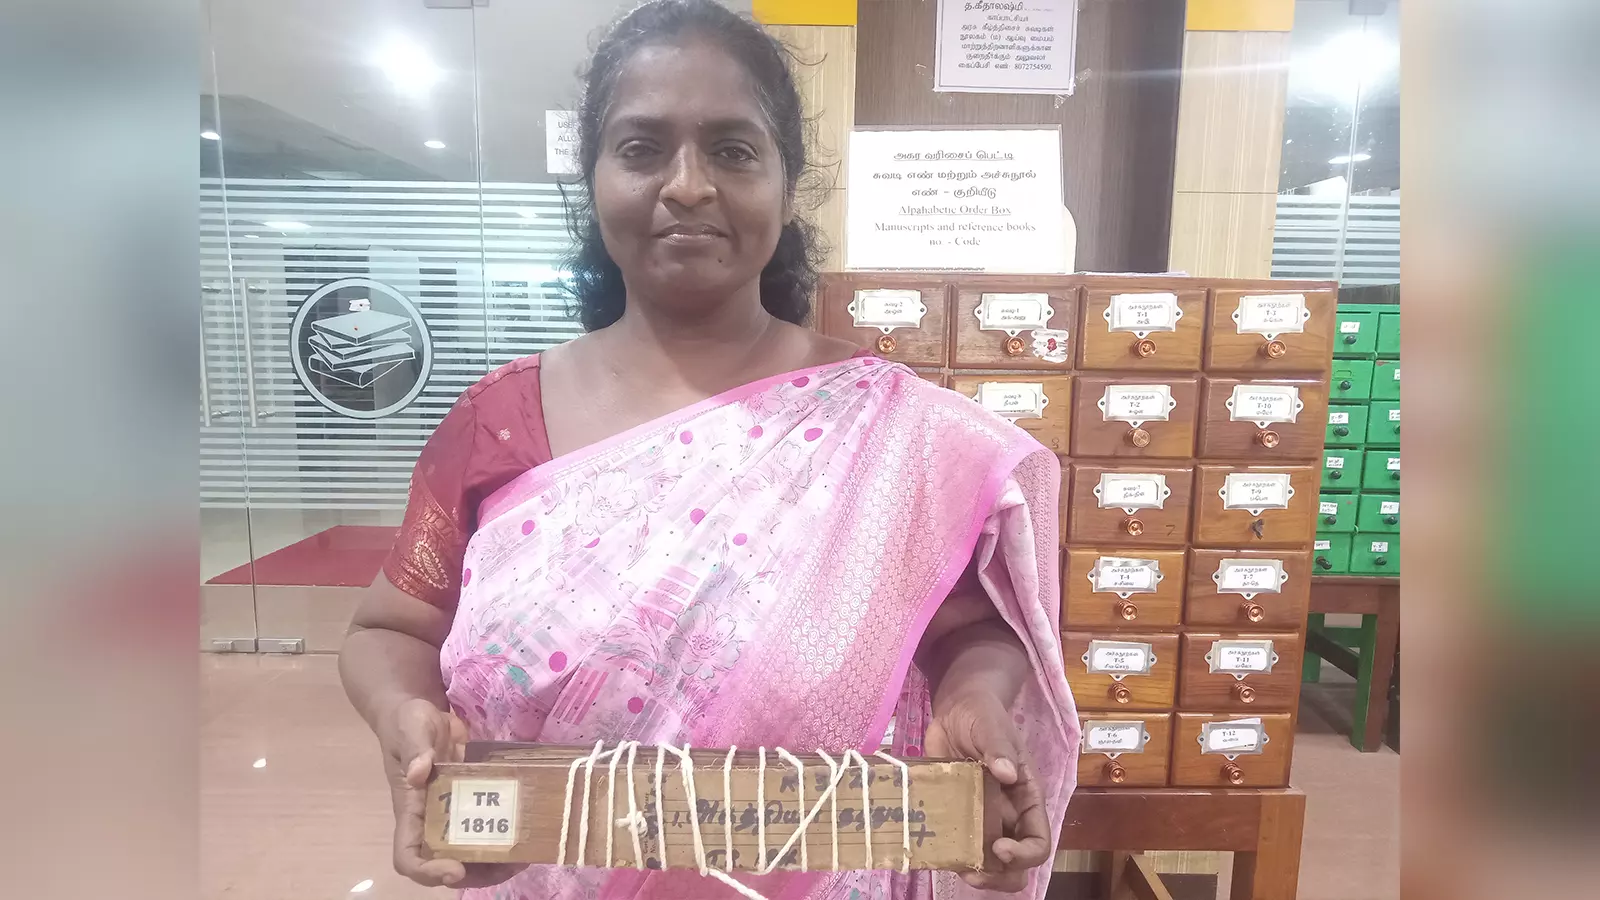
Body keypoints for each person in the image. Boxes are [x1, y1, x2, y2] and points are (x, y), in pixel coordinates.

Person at [339, 2, 1077, 898]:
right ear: (595, 175)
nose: (687, 185)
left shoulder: (895, 432)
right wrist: (404, 712)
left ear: (786, 180)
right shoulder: (502, 420)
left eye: (732, 150)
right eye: (643, 148)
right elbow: (390, 627)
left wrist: (974, 698)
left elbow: (974, 633)